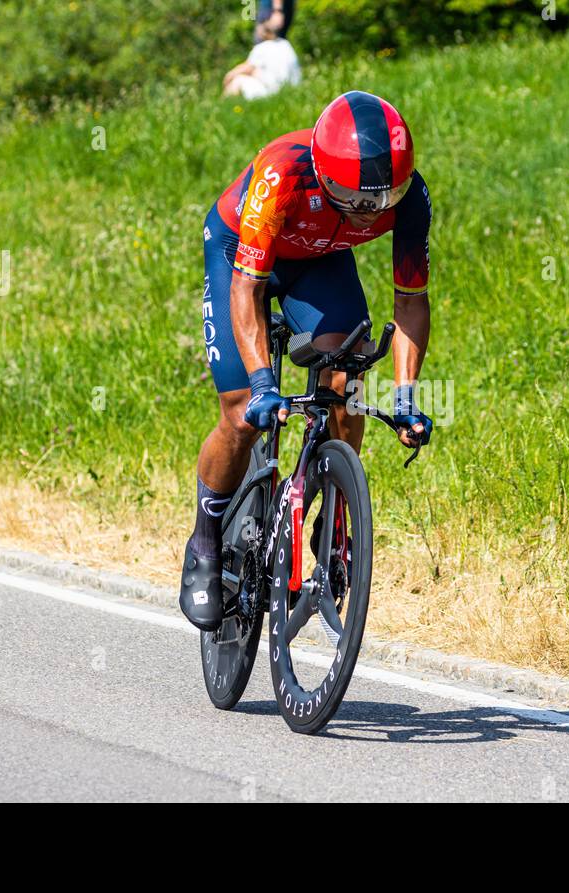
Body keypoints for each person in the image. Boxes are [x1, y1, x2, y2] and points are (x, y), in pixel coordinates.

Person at [181, 91, 433, 631]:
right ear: (323, 174)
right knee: (243, 408)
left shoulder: (409, 198)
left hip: (317, 257)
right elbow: (247, 289)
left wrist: (408, 396)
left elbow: (410, 299)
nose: (370, 210)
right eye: (355, 197)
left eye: (381, 199)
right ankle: (205, 541)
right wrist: (263, 381)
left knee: (349, 372)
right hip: (240, 253)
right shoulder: (284, 173)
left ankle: (332, 513)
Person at [222, 20, 301, 100]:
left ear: (263, 32)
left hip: (272, 91)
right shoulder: (286, 44)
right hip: (291, 89)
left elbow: (248, 67)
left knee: (238, 79)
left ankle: (223, 105)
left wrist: (229, 75)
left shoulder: (262, 47)